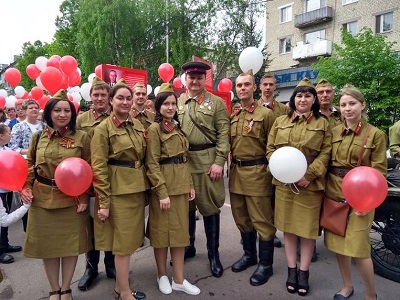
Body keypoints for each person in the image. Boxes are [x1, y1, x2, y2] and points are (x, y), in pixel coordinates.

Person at [20, 89, 91, 300]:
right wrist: (25, 186)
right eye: (57, 110)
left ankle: (66, 288)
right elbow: (30, 164)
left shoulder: (82, 137)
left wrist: (85, 197)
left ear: (72, 113)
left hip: (72, 200)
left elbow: (88, 168)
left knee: (69, 247)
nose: (62, 114)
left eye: (67, 111)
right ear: (49, 113)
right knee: (49, 248)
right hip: (42, 198)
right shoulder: (38, 137)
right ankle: (54, 289)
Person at [266, 78, 332, 296]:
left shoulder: (323, 123)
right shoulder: (280, 122)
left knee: (307, 231)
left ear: (314, 100)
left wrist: (310, 175)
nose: (302, 99)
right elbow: (270, 150)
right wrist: (280, 170)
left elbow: (326, 153)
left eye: (307, 95)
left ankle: (304, 272)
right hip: (285, 184)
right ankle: (291, 270)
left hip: (309, 185)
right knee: (288, 229)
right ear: (293, 99)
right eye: (299, 95)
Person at [324, 84, 386, 300]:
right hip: (334, 195)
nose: (347, 108)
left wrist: (367, 203)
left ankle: (371, 294)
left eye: (352, 104)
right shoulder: (333, 133)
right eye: (343, 105)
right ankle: (347, 286)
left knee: (359, 250)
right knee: (338, 246)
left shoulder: (375, 135)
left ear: (362, 105)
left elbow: (378, 173)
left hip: (361, 199)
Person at [91, 79, 147, 300]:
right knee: (123, 244)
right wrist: (104, 201)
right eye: (120, 98)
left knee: (131, 240)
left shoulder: (136, 125)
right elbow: (98, 166)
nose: (125, 102)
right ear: (111, 101)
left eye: (128, 98)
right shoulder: (103, 129)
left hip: (135, 189)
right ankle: (123, 291)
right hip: (117, 192)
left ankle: (119, 286)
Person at [145, 83, 201, 296]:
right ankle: (161, 275)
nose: (170, 107)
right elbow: (152, 163)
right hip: (165, 189)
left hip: (180, 187)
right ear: (158, 106)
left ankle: (179, 278)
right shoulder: (154, 129)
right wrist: (162, 193)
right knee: (161, 235)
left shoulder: (177, 127)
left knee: (179, 235)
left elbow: (184, 159)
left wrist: (190, 185)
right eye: (165, 104)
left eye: (173, 104)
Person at [177, 61, 230, 278]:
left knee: (209, 209)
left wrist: (219, 161)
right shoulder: (178, 101)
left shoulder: (216, 103)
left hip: (208, 163)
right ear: (186, 79)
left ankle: (213, 255)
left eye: (199, 77)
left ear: (204, 80)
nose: (195, 81)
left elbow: (224, 134)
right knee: (187, 209)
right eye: (191, 77)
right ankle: (189, 246)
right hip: (183, 164)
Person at [229, 71, 277, 286]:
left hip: (258, 173)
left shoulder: (265, 115)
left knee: (262, 221)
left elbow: (273, 145)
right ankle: (250, 255)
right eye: (239, 85)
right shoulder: (235, 115)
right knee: (241, 217)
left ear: (254, 87)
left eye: (246, 84)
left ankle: (266, 265)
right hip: (236, 173)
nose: (242, 88)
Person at [76, 77, 115, 291]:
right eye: (96, 94)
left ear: (109, 97)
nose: (99, 98)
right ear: (90, 97)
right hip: (88, 180)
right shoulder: (81, 120)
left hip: (112, 177)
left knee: (110, 222)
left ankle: (111, 264)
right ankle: (91, 268)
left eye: (103, 95)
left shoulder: (116, 116)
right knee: (90, 226)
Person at [257, 71, 288, 249]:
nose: (268, 88)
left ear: (275, 87)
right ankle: (260, 230)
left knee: (275, 197)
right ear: (260, 87)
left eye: (271, 85)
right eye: (265, 84)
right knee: (261, 200)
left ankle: (272, 231)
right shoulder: (253, 107)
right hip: (260, 159)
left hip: (279, 160)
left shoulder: (283, 110)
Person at [0, 124, 30, 264]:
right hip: (1, 190)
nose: (11, 135)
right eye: (8, 132)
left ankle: (4, 244)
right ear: (1, 135)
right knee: (2, 220)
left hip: (7, 189)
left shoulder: (6, 150)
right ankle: (0, 251)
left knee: (5, 217)